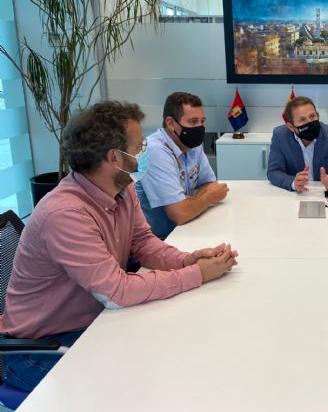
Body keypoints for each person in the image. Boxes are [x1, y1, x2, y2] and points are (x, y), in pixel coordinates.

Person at [0, 101, 238, 392]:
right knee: (140, 388)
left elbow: (143, 243)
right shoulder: (65, 214)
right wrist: (198, 274)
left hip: (97, 323)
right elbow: (117, 291)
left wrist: (188, 260)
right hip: (44, 347)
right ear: (115, 157)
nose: (145, 152)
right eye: (140, 147)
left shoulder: (121, 189)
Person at [136, 92, 228, 240]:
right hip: (156, 240)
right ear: (171, 123)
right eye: (193, 122)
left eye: (202, 121)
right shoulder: (154, 150)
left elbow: (209, 184)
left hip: (186, 229)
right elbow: (179, 213)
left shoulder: (192, 145)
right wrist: (208, 198)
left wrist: (190, 203)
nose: (199, 127)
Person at [267, 96, 328, 192]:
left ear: (318, 116)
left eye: (312, 116)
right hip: (296, 195)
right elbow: (274, 171)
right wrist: (293, 183)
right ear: (291, 127)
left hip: (324, 192)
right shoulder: (280, 136)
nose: (310, 123)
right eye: (303, 120)